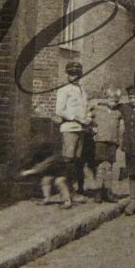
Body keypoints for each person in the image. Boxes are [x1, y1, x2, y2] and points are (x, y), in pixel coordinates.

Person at [48, 62, 87, 208]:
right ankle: (65, 193)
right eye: (71, 73)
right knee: (68, 160)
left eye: (76, 73)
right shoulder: (64, 90)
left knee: (76, 161)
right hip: (69, 128)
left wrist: (87, 119)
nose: (74, 76)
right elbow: (59, 111)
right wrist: (75, 117)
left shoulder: (83, 90)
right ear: (67, 74)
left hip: (81, 129)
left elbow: (85, 110)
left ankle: (73, 191)